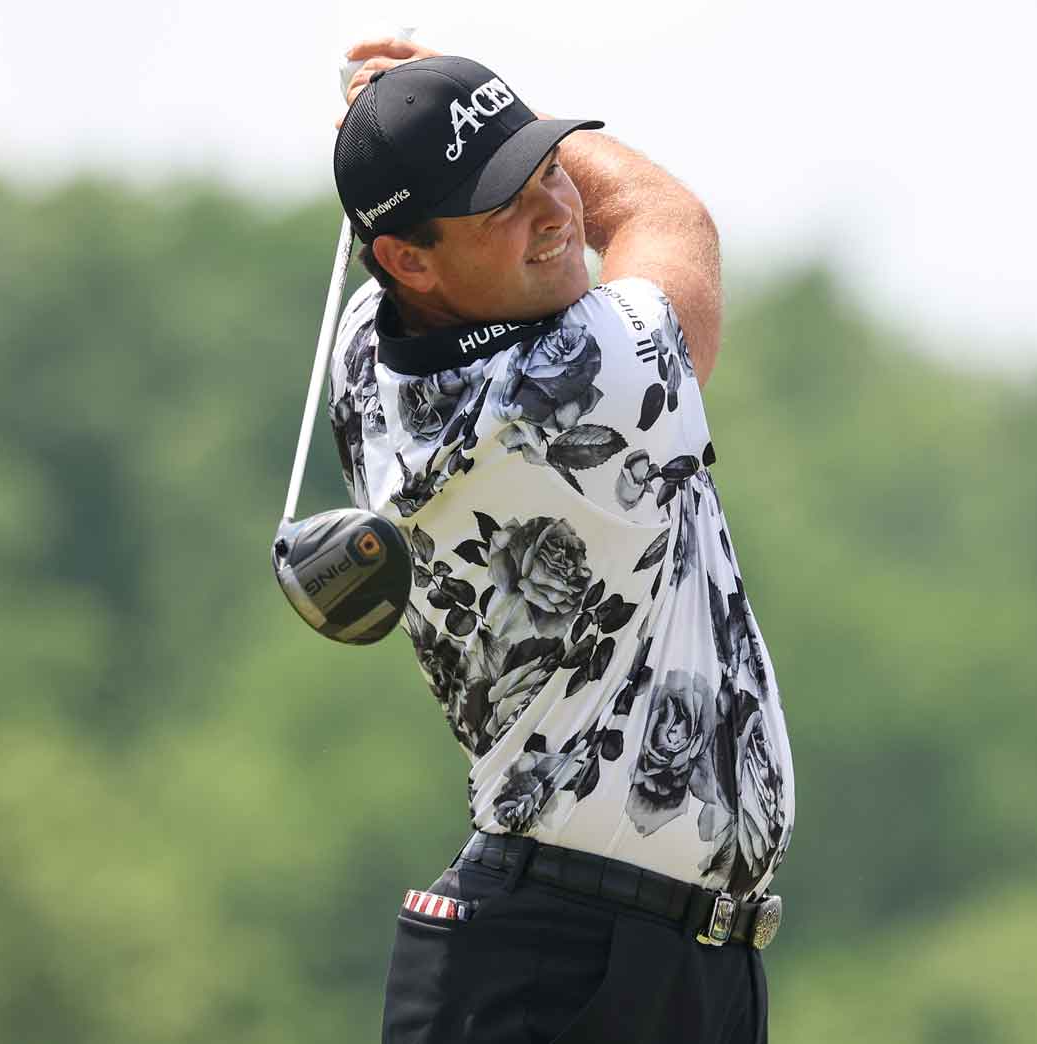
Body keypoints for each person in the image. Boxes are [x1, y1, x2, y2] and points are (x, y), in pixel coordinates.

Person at [326, 37, 796, 1044]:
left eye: (548, 169)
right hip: (564, 968)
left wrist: (428, 127)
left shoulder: (367, 359)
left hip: (643, 957)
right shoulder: (579, 387)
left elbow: (394, 267)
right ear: (411, 258)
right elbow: (667, 220)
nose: (554, 212)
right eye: (504, 204)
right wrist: (466, 103)